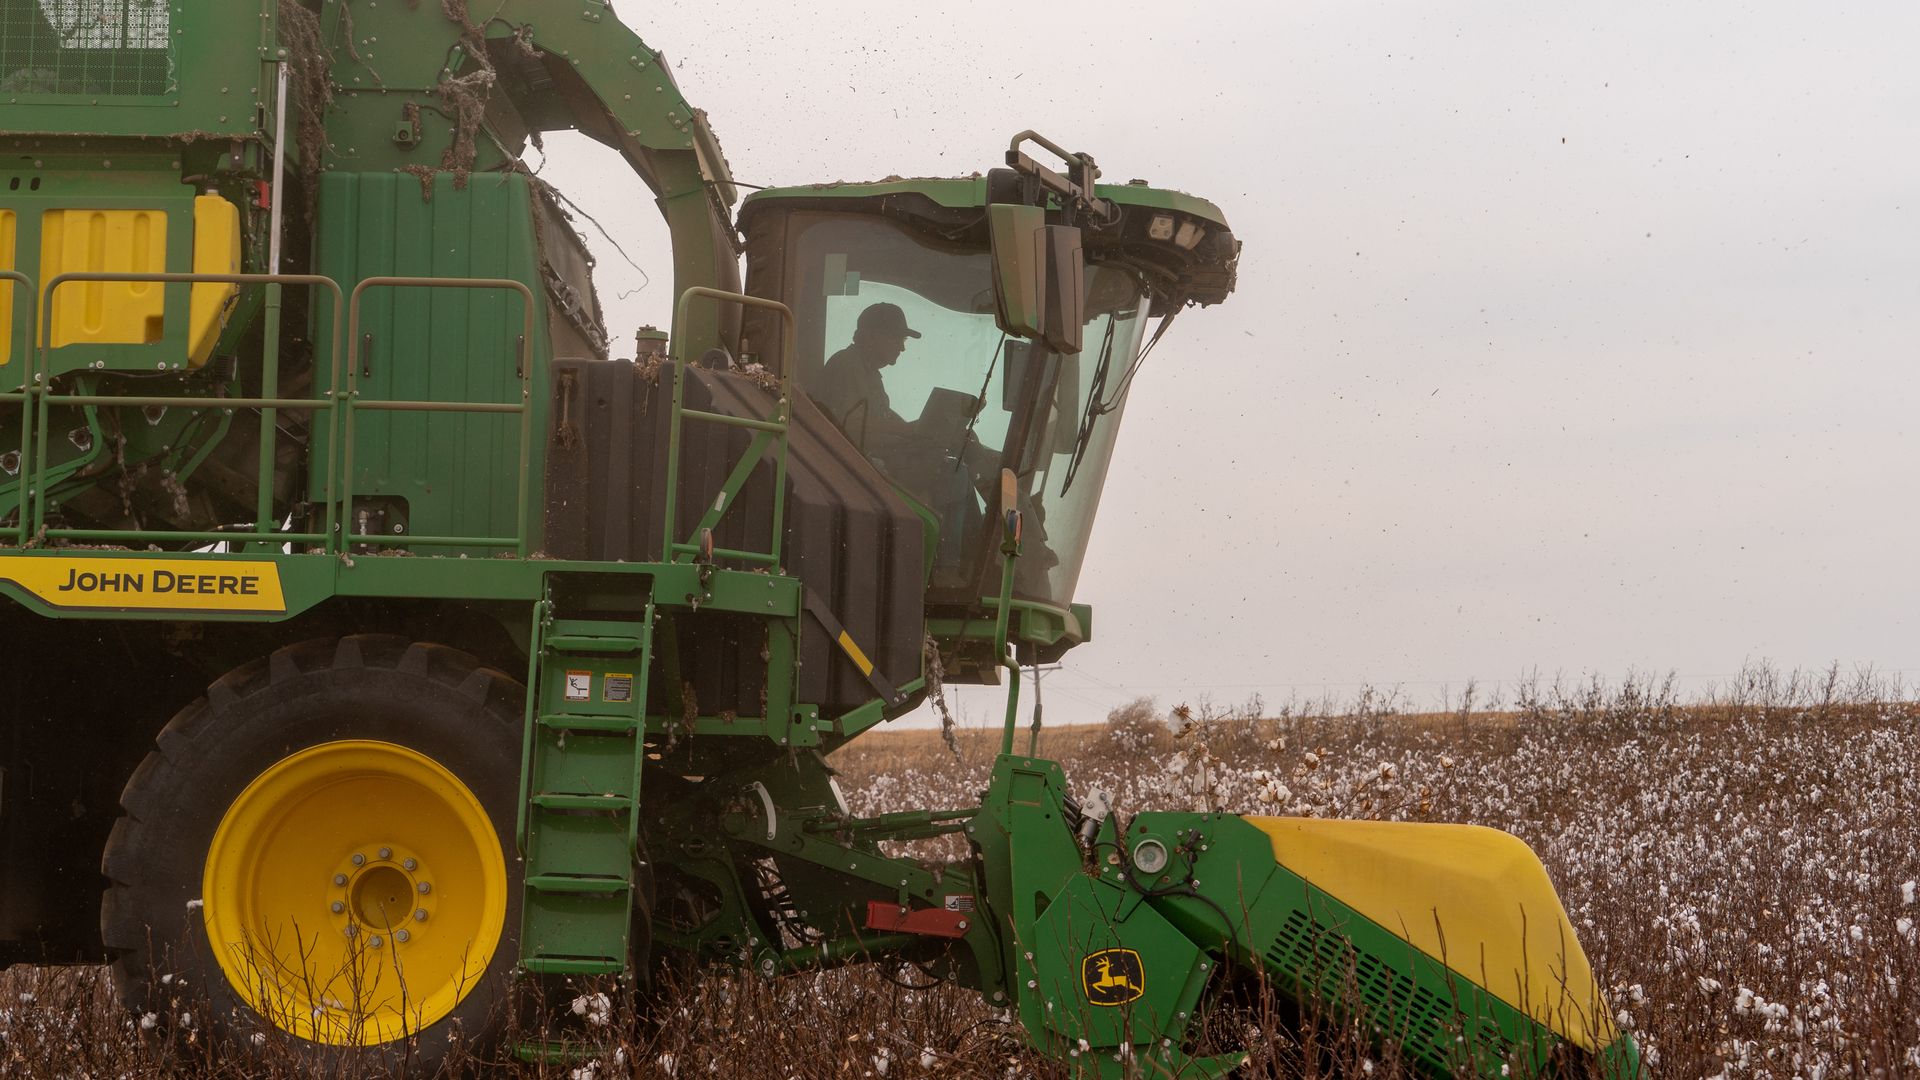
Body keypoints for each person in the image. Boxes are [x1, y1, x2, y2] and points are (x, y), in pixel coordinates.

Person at [812, 302, 920, 446]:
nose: (902, 348)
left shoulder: (870, 373)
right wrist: (904, 429)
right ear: (870, 336)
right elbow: (849, 422)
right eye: (896, 338)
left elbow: (884, 415)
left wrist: (916, 430)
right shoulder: (846, 363)